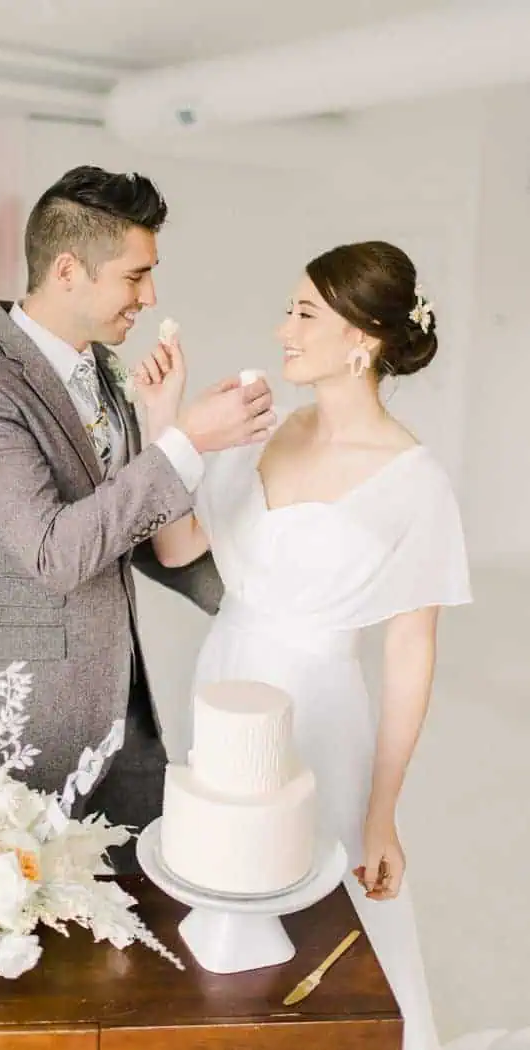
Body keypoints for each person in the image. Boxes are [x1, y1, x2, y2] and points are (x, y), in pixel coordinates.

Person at [137, 240, 471, 1050]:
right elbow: (181, 551)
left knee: (325, 910)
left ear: (363, 338)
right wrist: (165, 423)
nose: (282, 328)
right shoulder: (267, 427)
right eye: (288, 309)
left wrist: (384, 813)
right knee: (228, 886)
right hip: (224, 684)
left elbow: (408, 654)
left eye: (304, 313)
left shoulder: (413, 480)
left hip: (321, 704)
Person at [0, 165, 274, 872]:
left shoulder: (108, 371)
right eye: (135, 277)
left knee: (141, 909)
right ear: (68, 269)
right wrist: (186, 443)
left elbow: (122, 530)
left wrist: (256, 603)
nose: (150, 296)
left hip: (125, 705)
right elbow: (55, 550)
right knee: (16, 928)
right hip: (26, 715)